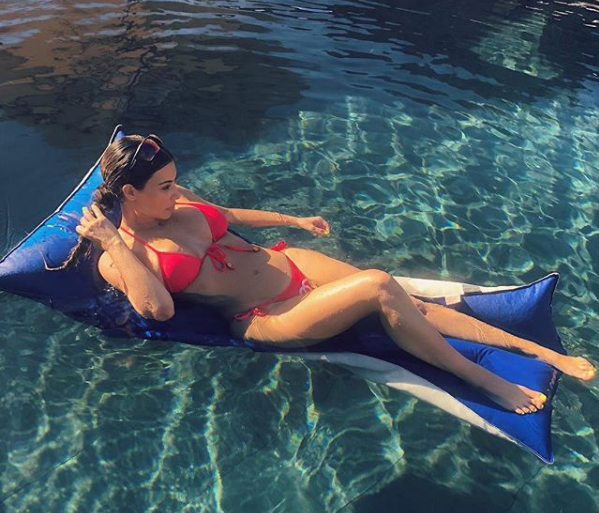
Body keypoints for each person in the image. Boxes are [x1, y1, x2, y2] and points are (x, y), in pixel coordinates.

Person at [66, 134, 596, 415]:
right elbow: (157, 309)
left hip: (291, 262)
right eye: (164, 186)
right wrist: (111, 240)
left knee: (412, 303)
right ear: (130, 193)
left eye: (174, 181)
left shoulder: (175, 201)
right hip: (264, 314)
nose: (176, 191)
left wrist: (293, 220)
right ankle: (483, 380)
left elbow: (226, 215)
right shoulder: (119, 254)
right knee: (379, 284)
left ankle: (540, 352)